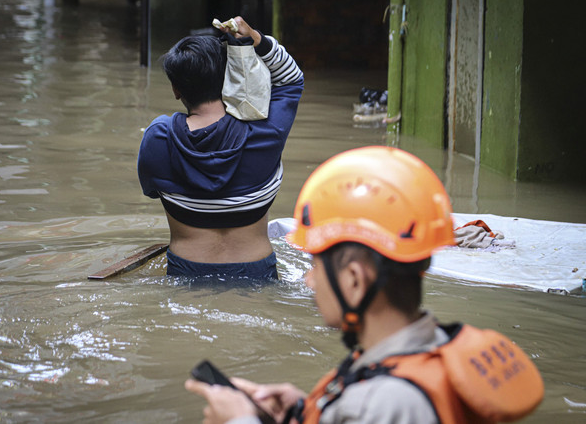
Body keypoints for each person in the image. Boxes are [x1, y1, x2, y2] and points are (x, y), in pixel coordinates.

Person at [185, 146, 544, 423]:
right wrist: (300, 409)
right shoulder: (426, 353)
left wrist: (240, 420)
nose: (309, 280)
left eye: (315, 265)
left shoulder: (387, 404)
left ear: (355, 281)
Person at [137, 17, 304, 279]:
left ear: (176, 90)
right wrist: (256, 39)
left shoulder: (159, 139)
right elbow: (291, 80)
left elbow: (151, 191)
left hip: (185, 276)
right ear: (228, 80)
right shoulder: (265, 133)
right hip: (257, 275)